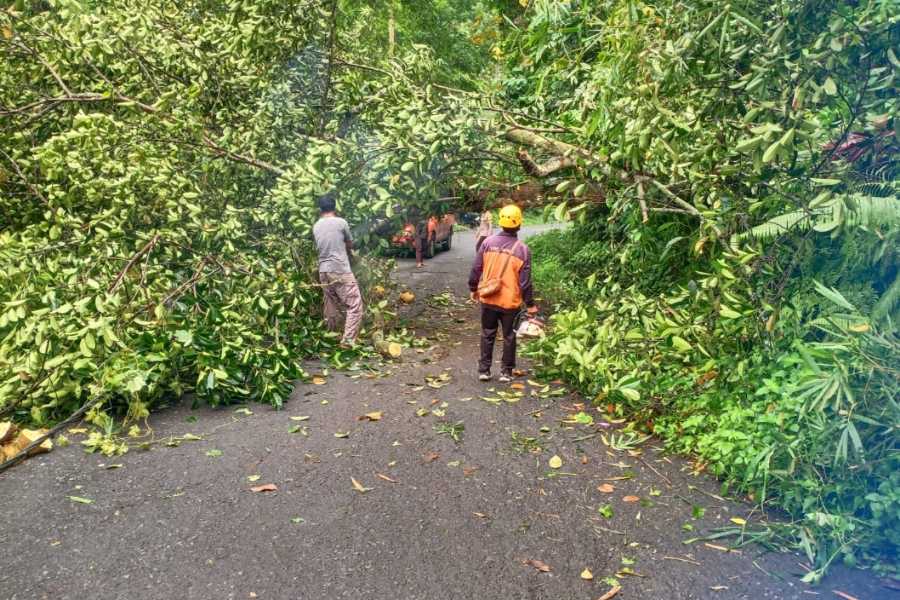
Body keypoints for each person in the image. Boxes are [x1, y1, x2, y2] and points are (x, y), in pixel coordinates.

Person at [468, 204, 538, 382]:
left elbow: (476, 268)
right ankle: (506, 372)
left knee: (487, 333)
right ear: (519, 224)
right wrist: (530, 305)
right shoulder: (522, 249)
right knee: (509, 336)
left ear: (500, 222)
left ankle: (484, 370)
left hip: (489, 298)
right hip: (509, 302)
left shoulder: (487, 243)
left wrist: (473, 288)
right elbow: (525, 282)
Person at [312, 192, 363, 347]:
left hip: (323, 271)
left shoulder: (316, 225)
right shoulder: (341, 223)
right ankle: (347, 341)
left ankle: (330, 336)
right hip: (339, 268)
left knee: (331, 305)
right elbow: (349, 243)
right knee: (355, 305)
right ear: (335, 207)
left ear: (320, 209)